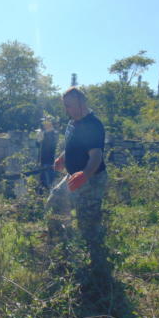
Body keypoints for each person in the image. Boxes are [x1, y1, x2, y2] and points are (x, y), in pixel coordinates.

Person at [54, 87, 108, 271]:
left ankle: (97, 264)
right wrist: (62, 158)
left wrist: (85, 175)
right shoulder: (73, 122)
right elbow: (71, 146)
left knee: (88, 221)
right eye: (65, 106)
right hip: (73, 176)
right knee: (54, 203)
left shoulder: (92, 125)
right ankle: (60, 247)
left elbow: (96, 156)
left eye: (69, 106)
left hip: (90, 178)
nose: (66, 110)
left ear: (81, 103)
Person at [38, 117, 58, 189]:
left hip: (49, 161)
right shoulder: (46, 134)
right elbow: (38, 144)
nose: (43, 126)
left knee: (49, 181)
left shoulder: (52, 134)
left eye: (45, 124)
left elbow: (50, 146)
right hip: (44, 161)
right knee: (43, 181)